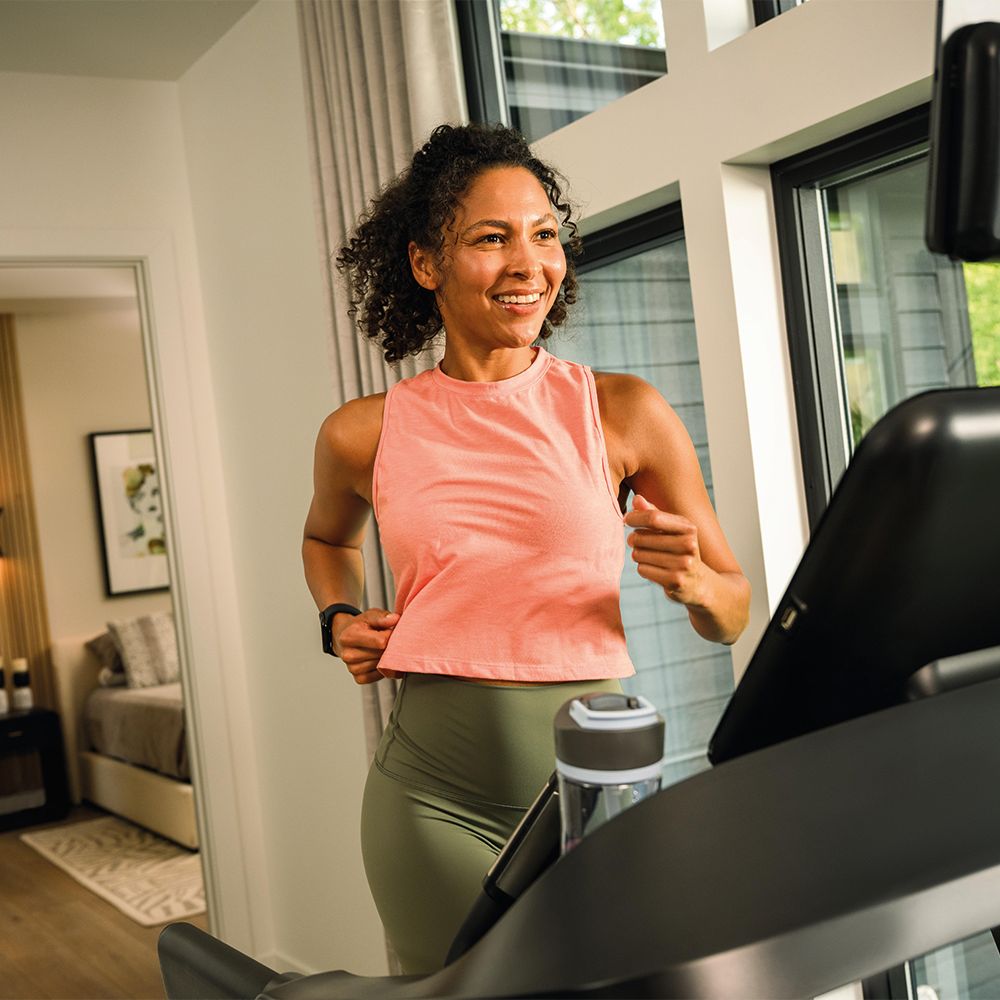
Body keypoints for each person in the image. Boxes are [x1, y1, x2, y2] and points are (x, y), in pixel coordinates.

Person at [302, 123, 750, 974]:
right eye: (491, 238)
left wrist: (693, 580)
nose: (528, 263)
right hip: (431, 799)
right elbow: (326, 538)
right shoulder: (364, 431)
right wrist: (337, 617)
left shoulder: (622, 412)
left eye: (545, 235)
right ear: (426, 264)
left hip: (600, 789)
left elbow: (731, 615)